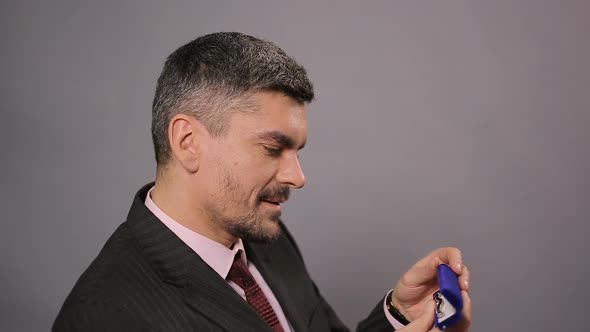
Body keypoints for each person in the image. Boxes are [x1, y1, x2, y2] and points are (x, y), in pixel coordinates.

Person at [53, 32, 471, 331]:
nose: (297, 177)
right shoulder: (105, 315)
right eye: (273, 149)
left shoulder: (267, 240)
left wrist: (399, 315)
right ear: (187, 141)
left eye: (298, 151)